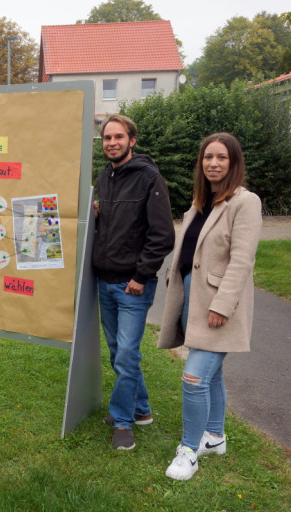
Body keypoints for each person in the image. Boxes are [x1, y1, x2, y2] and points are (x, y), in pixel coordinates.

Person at [159, 133, 262, 481]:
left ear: (234, 163)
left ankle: (189, 451)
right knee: (211, 374)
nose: (213, 164)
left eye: (221, 158)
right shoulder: (201, 202)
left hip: (219, 306)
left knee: (193, 377)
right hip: (192, 299)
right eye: (207, 157)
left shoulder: (244, 202)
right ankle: (214, 437)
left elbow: (241, 260)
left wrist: (223, 305)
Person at [92, 114, 175, 450]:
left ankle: (123, 423)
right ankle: (141, 410)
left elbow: (163, 235)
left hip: (132, 286)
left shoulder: (148, 178)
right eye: (107, 138)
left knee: (126, 354)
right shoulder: (104, 177)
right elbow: (113, 227)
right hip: (105, 281)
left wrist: (141, 276)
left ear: (132, 140)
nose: (112, 143)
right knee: (118, 353)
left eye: (118, 137)